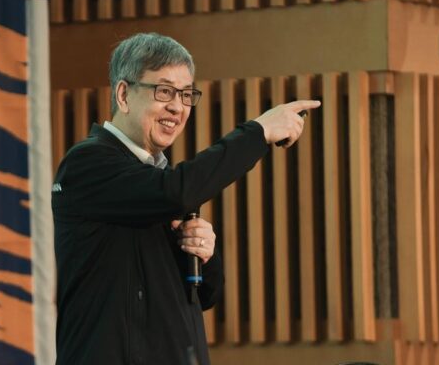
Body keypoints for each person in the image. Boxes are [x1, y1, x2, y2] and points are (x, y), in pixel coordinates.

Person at [52, 32, 320, 365]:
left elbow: (205, 296)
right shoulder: (88, 163)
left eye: (186, 94)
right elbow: (175, 192)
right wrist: (259, 131)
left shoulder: (159, 180)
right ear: (123, 94)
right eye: (164, 91)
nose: (177, 107)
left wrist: (205, 255)